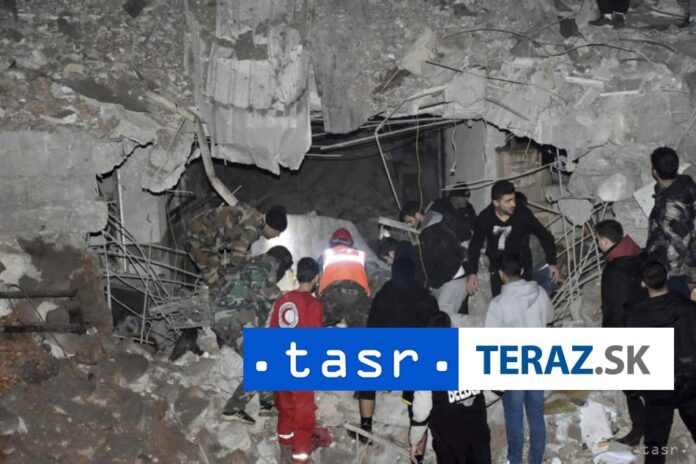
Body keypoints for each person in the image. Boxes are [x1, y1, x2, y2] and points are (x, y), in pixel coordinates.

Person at [350, 257, 439, 450]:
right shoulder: (426, 296)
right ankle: (418, 451)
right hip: (414, 357)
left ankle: (366, 427)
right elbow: (435, 327)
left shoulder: (385, 294)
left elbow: (371, 329)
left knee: (366, 373)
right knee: (416, 403)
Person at [625, 261, 696, 464]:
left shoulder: (635, 317)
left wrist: (633, 390)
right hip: (690, 384)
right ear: (668, 278)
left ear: (643, 283)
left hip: (657, 390)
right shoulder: (689, 309)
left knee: (655, 447)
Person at [484, 253, 552, 464]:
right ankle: (536, 459)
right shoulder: (541, 294)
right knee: (536, 415)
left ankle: (515, 460)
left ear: (501, 274)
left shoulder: (498, 304)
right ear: (522, 271)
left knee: (514, 418)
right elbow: (549, 322)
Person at [216, 245, 293, 425]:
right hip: (234, 319)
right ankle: (233, 409)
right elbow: (261, 290)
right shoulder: (265, 266)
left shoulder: (255, 264)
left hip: (231, 318)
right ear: (280, 263)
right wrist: (284, 296)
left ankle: (267, 403)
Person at [270, 258, 331, 464]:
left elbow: (273, 330)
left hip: (280, 362)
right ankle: (299, 458)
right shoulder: (313, 305)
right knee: (304, 417)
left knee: (285, 409)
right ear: (316, 278)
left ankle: (284, 450)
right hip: (300, 366)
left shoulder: (283, 300)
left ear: (297, 275)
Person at [410, 311, 491, 464]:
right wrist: (475, 402)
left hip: (448, 438)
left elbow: (422, 411)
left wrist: (414, 441)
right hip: (477, 432)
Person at [595, 219, 648, 446]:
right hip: (645, 324)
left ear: (606, 241)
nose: (598, 244)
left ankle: (639, 429)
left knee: (630, 385)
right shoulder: (638, 255)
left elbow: (616, 309)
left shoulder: (615, 269)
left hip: (626, 331)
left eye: (598, 239)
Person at [466, 180, 560, 297]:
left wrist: (552, 263)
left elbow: (545, 236)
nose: (513, 204)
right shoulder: (485, 217)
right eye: (508, 201)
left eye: (513, 199)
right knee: (501, 300)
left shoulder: (523, 215)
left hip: (521, 266)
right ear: (496, 203)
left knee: (523, 299)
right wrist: (472, 273)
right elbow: (474, 245)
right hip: (498, 268)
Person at [187, 202, 287, 288]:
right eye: (278, 232)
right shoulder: (251, 229)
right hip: (198, 237)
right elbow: (237, 259)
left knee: (221, 274)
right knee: (216, 281)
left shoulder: (254, 217)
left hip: (203, 235)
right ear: (271, 227)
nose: (277, 235)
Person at [400, 201, 468, 316]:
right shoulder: (440, 221)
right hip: (451, 277)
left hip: (452, 279)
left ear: (417, 215)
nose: (409, 226)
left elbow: (431, 261)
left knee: (443, 318)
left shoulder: (430, 233)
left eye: (409, 221)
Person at [646, 147, 696, 300]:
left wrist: (692, 279)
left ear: (654, 171)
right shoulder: (685, 182)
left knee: (676, 307)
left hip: (675, 268)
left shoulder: (668, 210)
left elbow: (684, 245)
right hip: (679, 260)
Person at [318, 228, 372, 327]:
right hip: (357, 296)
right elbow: (367, 279)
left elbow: (320, 280)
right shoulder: (359, 256)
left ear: (332, 242)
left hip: (333, 295)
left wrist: (320, 296)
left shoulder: (325, 256)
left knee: (323, 323)